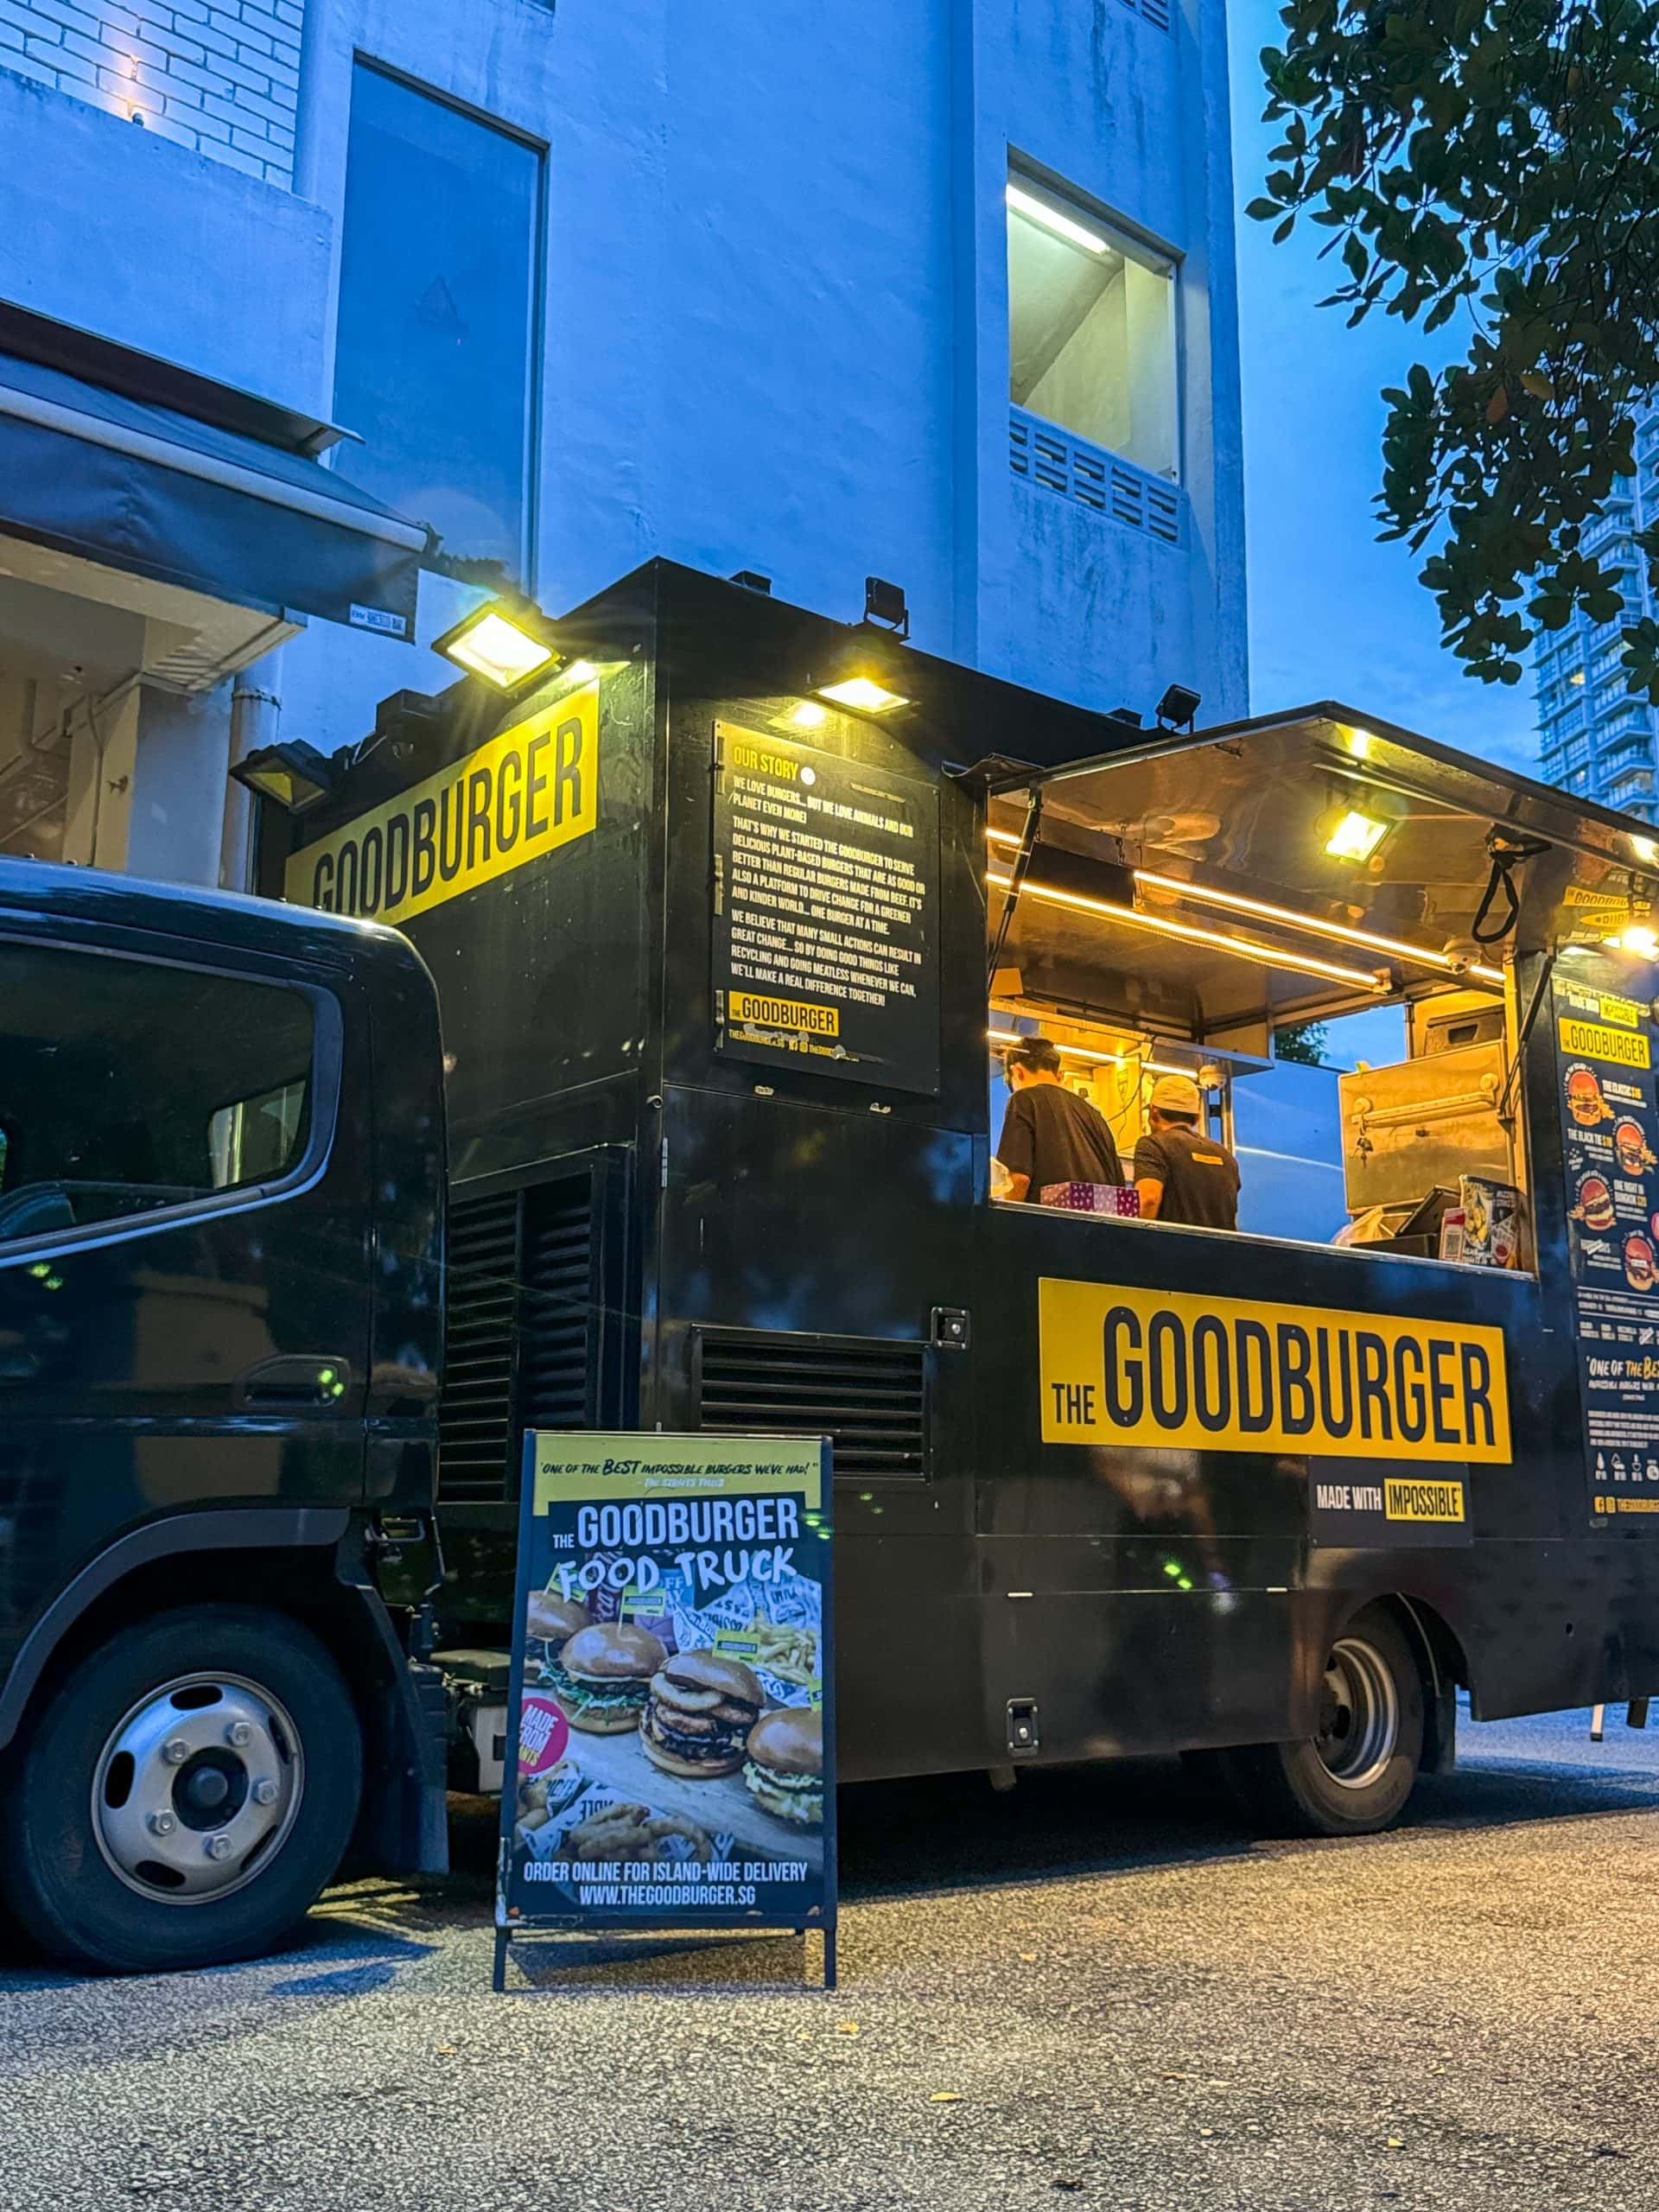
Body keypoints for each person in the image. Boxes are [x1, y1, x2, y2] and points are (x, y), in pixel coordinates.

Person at [995, 1036, 1122, 1204]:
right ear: (1059, 1075)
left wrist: (1004, 1216)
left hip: (1047, 1218)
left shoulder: (1024, 1099)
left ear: (1017, 1071)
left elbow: (1018, 1179)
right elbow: (1118, 1186)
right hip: (1100, 1218)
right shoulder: (1095, 1115)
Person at [1134, 1073, 1241, 1229]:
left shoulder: (1153, 1145)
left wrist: (1130, 1239)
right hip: (1219, 1245)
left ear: (1153, 1112)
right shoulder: (1225, 1156)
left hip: (1172, 1244)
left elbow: (1148, 1200)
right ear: (1197, 1118)